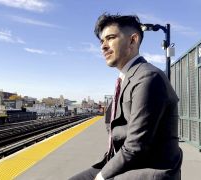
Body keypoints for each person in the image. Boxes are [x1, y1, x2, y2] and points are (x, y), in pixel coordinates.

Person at [70, 13, 182, 180]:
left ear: (132, 40)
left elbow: (136, 147)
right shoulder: (128, 78)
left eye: (110, 38)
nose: (103, 46)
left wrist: (101, 176)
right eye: (102, 41)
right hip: (125, 163)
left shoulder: (148, 78)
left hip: (149, 170)